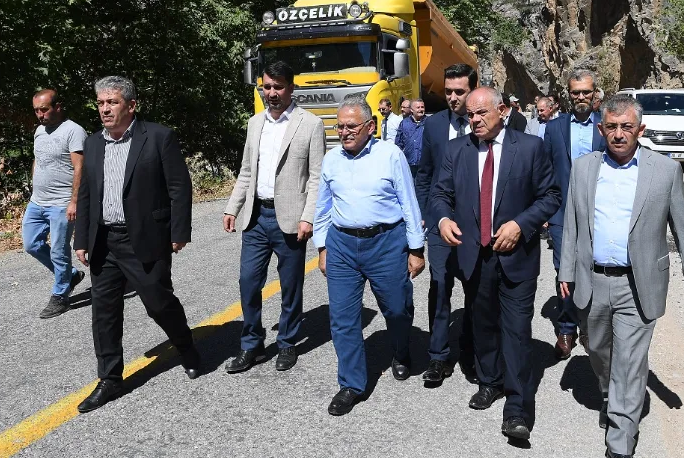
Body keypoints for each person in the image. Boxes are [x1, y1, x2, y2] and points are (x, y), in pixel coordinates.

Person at [559, 93, 684, 458]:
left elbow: (683, 227)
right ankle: (611, 396)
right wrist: (566, 270)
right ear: (601, 129)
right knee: (598, 349)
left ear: (641, 129)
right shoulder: (584, 168)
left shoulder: (665, 170)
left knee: (629, 362)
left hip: (638, 283)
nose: (619, 134)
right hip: (593, 279)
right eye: (612, 126)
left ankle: (621, 440)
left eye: (627, 126)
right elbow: (572, 224)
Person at [430, 87, 559, 441]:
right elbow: (439, 193)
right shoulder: (456, 150)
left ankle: (517, 408)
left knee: (516, 332)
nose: (473, 120)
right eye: (469, 115)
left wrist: (521, 224)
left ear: (501, 110)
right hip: (475, 255)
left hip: (517, 258)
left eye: (481, 113)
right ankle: (490, 381)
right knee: (482, 324)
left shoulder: (530, 148)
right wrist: (442, 219)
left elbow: (551, 195)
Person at [73, 76, 200, 413]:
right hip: (103, 241)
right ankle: (110, 378)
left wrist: (179, 231)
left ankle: (185, 345)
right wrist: (81, 238)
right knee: (104, 312)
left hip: (144, 237)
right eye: (101, 103)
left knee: (158, 303)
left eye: (111, 102)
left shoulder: (158, 137)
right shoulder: (93, 143)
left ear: (131, 105)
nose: (104, 109)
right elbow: (86, 194)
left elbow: (179, 187)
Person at [313, 95, 425, 416]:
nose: (344, 132)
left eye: (351, 126)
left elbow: (408, 203)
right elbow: (323, 207)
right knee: (342, 318)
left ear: (370, 127)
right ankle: (352, 384)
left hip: (386, 242)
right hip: (342, 245)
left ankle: (401, 350)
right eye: (339, 127)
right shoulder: (332, 159)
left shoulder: (390, 155)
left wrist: (416, 249)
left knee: (397, 307)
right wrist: (322, 247)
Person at [223, 61, 325, 373]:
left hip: (291, 219)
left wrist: (308, 217)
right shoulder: (255, 123)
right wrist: (232, 207)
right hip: (256, 217)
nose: (272, 92)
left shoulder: (310, 124)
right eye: (267, 87)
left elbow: (317, 177)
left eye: (278, 87)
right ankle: (251, 344)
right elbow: (246, 171)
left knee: (290, 285)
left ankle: (287, 342)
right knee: (248, 282)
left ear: (291, 88)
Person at [414, 63, 478, 385]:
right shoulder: (434, 125)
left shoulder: (484, 124)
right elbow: (424, 173)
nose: (452, 98)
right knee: (439, 287)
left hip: (475, 224)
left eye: (459, 92)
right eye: (448, 91)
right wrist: (424, 216)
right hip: (440, 222)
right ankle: (438, 356)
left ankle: (470, 349)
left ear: (473, 91)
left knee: (475, 289)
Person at [543, 69, 607, 359]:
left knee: (596, 268)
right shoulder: (555, 128)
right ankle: (567, 328)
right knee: (564, 270)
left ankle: (591, 325)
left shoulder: (606, 125)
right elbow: (544, 170)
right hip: (561, 213)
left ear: (595, 94)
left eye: (586, 92)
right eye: (575, 92)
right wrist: (544, 210)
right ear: (568, 94)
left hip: (599, 212)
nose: (581, 97)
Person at [23, 89, 87, 319]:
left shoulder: (73, 131)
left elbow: (80, 167)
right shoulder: (39, 131)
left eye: (44, 109)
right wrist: (34, 188)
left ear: (58, 107)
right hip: (37, 201)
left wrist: (74, 201)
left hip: (61, 203)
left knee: (59, 251)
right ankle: (70, 275)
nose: (40, 115)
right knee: (31, 244)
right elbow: (38, 160)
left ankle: (60, 296)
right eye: (36, 111)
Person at [395, 97, 427, 176]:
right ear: (412, 110)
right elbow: (398, 143)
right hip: (409, 164)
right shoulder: (404, 123)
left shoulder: (429, 122)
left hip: (424, 164)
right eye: (418, 107)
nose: (421, 109)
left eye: (422, 107)